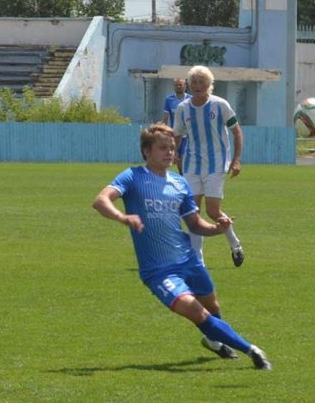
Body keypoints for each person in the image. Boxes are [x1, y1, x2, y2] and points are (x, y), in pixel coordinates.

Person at [92, 123, 271, 370]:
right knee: (198, 313)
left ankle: (214, 342)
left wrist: (217, 228)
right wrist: (122, 217)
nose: (169, 152)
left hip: (189, 261)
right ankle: (252, 350)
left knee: (213, 308)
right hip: (159, 271)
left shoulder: (179, 183)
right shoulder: (132, 177)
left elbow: (195, 224)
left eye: (172, 148)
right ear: (146, 151)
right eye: (162, 147)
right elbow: (101, 200)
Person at [173, 65, 245, 267]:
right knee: (192, 212)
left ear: (209, 84)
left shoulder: (220, 105)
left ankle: (235, 244)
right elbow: (177, 135)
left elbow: (237, 132)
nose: (198, 86)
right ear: (189, 84)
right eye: (194, 82)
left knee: (213, 211)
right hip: (191, 165)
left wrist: (236, 159)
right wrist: (174, 153)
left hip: (216, 164)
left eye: (202, 82)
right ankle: (198, 261)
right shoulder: (183, 108)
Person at [162, 78, 192, 175]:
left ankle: (185, 177)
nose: (178, 87)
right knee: (177, 160)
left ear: (185, 86)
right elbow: (165, 117)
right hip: (175, 134)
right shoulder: (169, 100)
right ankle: (182, 176)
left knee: (184, 158)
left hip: (188, 135)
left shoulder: (191, 99)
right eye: (176, 85)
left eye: (180, 85)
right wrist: (163, 131)